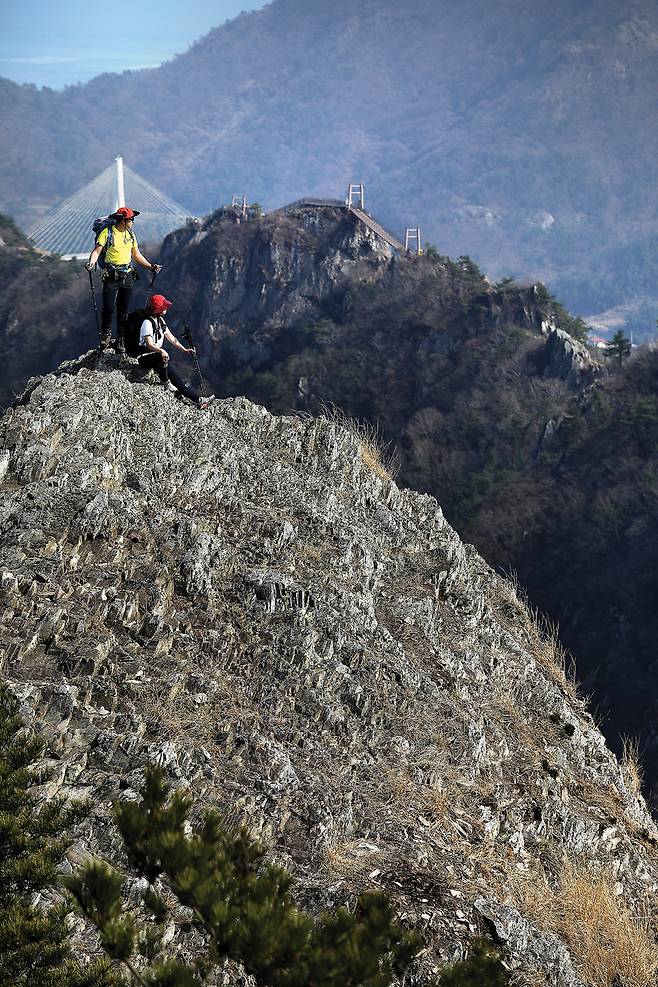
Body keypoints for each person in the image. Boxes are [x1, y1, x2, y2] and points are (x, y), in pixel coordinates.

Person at [85, 206, 161, 352]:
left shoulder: (131, 235)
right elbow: (97, 251)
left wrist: (151, 267)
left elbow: (136, 255)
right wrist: (91, 263)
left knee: (123, 309)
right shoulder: (107, 233)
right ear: (123, 220)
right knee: (108, 307)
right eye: (131, 219)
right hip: (111, 275)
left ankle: (121, 339)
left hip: (127, 275)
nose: (133, 222)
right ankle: (106, 334)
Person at [132, 294, 215, 410]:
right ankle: (170, 385)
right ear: (159, 310)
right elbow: (149, 344)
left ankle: (197, 400)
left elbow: (171, 338)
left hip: (157, 357)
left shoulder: (160, 321)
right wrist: (162, 351)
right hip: (145, 358)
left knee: (176, 378)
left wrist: (184, 350)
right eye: (164, 307)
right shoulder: (147, 323)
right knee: (171, 372)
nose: (166, 308)